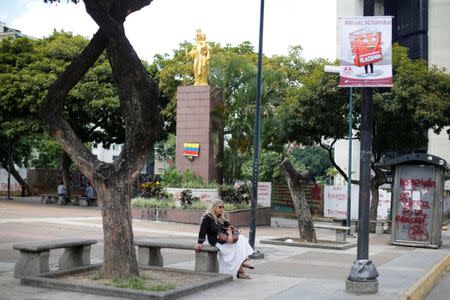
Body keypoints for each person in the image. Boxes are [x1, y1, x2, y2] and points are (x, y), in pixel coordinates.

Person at [195, 200, 255, 279]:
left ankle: (243, 265)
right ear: (214, 207)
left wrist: (230, 235)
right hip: (216, 241)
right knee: (237, 248)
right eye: (220, 207)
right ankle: (243, 266)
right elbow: (202, 231)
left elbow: (228, 226)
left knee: (241, 239)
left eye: (223, 207)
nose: (222, 209)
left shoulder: (222, 216)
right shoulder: (207, 217)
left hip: (225, 239)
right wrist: (199, 242)